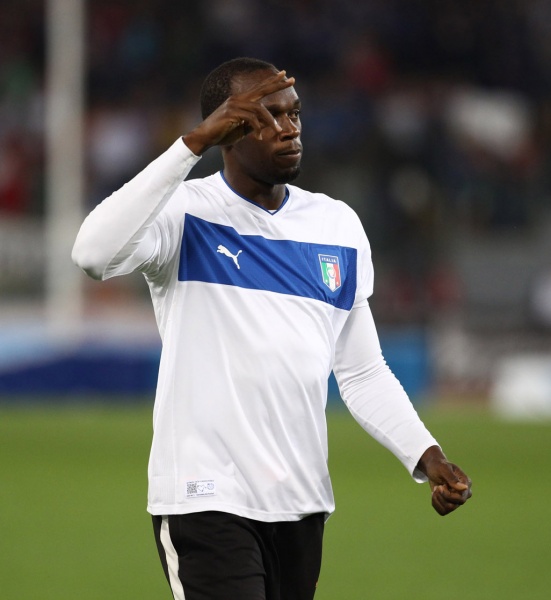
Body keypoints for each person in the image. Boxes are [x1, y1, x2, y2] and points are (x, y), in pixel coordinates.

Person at [72, 57, 472, 600]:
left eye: (294, 113)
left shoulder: (336, 226)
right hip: (205, 497)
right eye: (269, 116)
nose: (290, 129)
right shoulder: (183, 214)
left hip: (301, 504)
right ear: (228, 128)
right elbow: (92, 253)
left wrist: (427, 455)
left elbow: (361, 372)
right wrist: (191, 144)